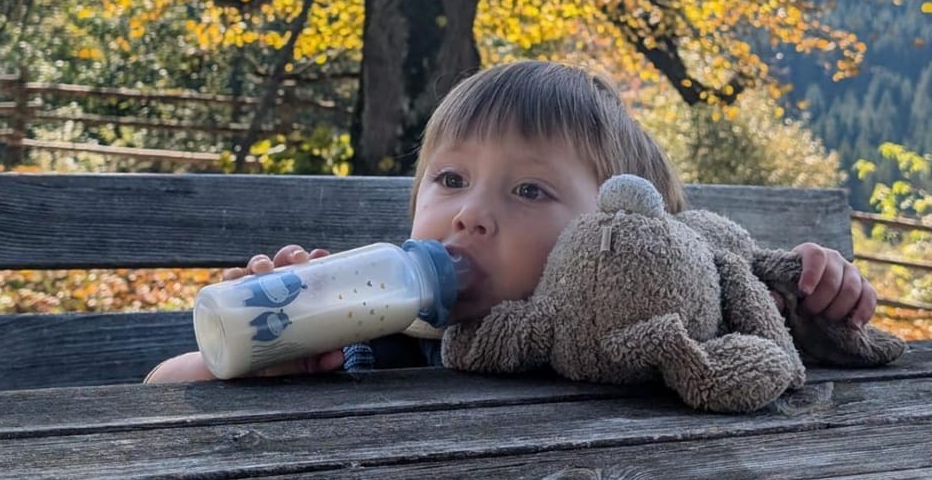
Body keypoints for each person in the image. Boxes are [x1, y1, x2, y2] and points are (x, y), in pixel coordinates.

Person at [145, 60, 876, 383]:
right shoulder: (383, 343)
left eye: (529, 189)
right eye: (451, 179)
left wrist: (813, 310)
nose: (469, 213)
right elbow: (161, 390)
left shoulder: (650, 336)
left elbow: (759, 351)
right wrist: (248, 352)